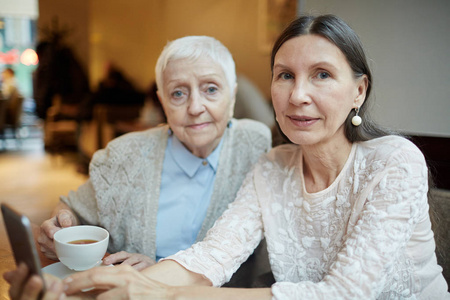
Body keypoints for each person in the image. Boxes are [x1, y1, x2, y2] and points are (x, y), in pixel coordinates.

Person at [7, 14, 449, 299]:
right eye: (285, 76)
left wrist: (162, 293)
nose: (298, 95)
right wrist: (81, 288)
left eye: (321, 75)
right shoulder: (272, 167)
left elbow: (347, 293)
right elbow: (212, 256)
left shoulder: (395, 161)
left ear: (359, 90)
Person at [3, 35, 271, 298]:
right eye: (178, 93)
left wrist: (156, 277)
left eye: (211, 89)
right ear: (162, 101)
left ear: (232, 94)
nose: (195, 107)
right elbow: (72, 208)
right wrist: (62, 225)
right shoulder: (123, 157)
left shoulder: (257, 148)